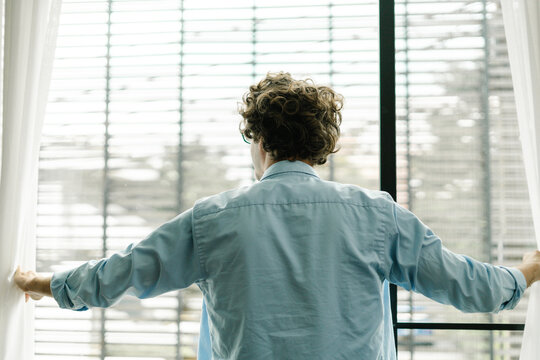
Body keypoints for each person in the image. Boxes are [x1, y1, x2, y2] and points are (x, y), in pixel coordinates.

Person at [14, 72, 540, 360]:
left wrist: (42, 282)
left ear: (259, 142)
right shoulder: (378, 217)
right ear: (323, 148)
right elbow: (472, 288)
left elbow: (121, 272)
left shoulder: (214, 219)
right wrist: (529, 270)